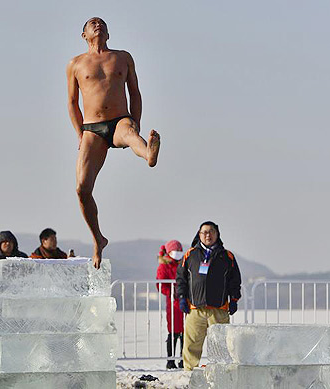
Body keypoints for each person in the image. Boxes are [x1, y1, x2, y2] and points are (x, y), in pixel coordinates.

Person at [67, 17, 161, 269]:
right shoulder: (76, 64)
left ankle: (149, 154)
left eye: (102, 23)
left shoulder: (122, 57)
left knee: (131, 135)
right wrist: (79, 134)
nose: (98, 25)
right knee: (81, 189)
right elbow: (72, 102)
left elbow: (135, 91)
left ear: (108, 33)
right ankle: (98, 239)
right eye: (92, 23)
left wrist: (136, 121)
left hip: (120, 119)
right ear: (84, 34)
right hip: (92, 129)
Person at [176, 222, 242, 371]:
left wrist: (235, 299)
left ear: (217, 234)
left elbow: (235, 280)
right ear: (199, 235)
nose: (208, 235)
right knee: (191, 344)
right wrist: (181, 297)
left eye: (211, 231)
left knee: (221, 344)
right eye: (204, 232)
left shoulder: (227, 256)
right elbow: (181, 278)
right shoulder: (190, 254)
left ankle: (220, 372)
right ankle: (190, 374)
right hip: (195, 308)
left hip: (219, 309)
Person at [156, 240, 185, 369]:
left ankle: (183, 359)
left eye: (180, 250)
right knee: (173, 331)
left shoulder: (184, 264)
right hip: (172, 303)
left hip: (185, 302)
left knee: (186, 332)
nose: (178, 253)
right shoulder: (164, 266)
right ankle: (170, 359)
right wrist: (171, 292)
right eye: (175, 250)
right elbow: (161, 284)